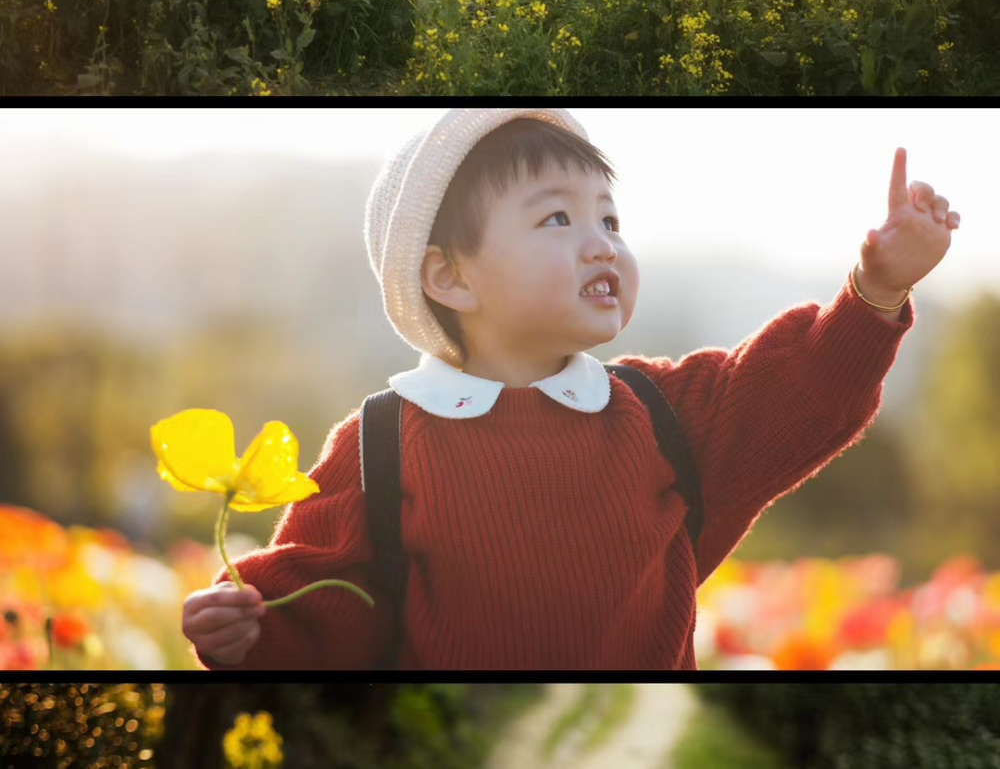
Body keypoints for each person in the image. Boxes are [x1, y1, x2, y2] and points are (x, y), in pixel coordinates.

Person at [181, 108, 960, 671]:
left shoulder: (661, 413)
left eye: (611, 219)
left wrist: (877, 287)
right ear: (449, 275)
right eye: (556, 218)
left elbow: (801, 390)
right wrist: (242, 629)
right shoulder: (381, 442)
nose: (602, 244)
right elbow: (326, 610)